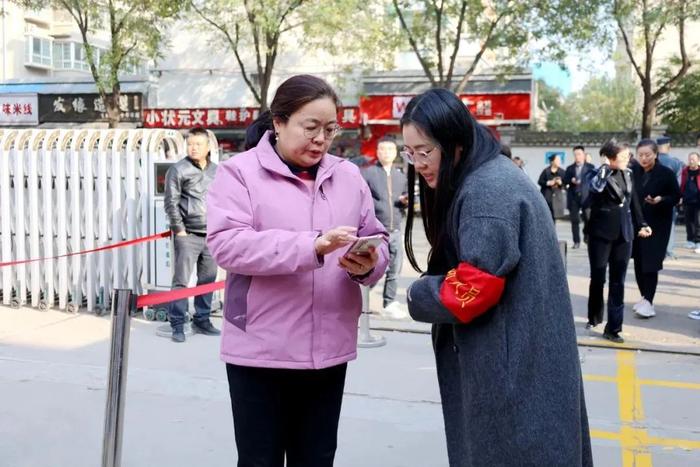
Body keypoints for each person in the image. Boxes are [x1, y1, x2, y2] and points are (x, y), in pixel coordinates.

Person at [401, 89, 592, 466]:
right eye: (411, 152)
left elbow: (474, 287)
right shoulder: (495, 176)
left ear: (455, 143)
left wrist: (416, 294)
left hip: (511, 373)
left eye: (425, 151)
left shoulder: (487, 192)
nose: (418, 163)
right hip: (526, 359)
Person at [206, 75, 389, 467]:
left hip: (328, 351)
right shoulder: (238, 173)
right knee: (261, 460)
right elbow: (227, 244)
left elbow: (376, 235)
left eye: (330, 128)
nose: (321, 139)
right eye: (310, 127)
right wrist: (312, 246)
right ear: (279, 122)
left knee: (317, 458)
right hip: (260, 352)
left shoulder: (347, 176)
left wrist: (370, 263)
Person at [584, 140, 651, 342]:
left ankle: (613, 328)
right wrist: (604, 168)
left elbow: (634, 201)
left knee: (618, 281)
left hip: (624, 233)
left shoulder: (629, 173)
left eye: (628, 156)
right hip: (600, 234)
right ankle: (594, 316)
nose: (628, 159)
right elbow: (594, 192)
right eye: (623, 157)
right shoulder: (596, 174)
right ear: (610, 158)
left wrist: (642, 223)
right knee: (598, 278)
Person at [164, 127, 220, 343]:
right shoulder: (178, 170)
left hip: (212, 235)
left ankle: (202, 319)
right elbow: (171, 202)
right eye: (190, 144)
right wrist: (180, 230)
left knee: (207, 279)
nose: (193, 147)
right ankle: (177, 323)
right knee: (181, 281)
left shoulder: (217, 171)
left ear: (208, 147)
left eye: (198, 144)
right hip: (188, 234)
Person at [631, 140, 681, 318]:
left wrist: (661, 200)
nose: (644, 159)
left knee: (650, 263)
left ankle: (649, 301)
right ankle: (644, 297)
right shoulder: (633, 171)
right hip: (637, 223)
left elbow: (676, 196)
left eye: (647, 155)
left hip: (658, 224)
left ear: (655, 154)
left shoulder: (665, 173)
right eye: (641, 155)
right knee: (638, 261)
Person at [361, 136, 409, 319]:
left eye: (389, 149)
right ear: (377, 152)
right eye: (382, 149)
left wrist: (405, 201)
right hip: (376, 230)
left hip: (396, 228)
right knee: (372, 268)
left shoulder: (400, 176)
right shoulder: (368, 173)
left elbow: (404, 199)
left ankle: (389, 303)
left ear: (395, 152)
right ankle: (360, 298)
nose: (385, 153)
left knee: (394, 270)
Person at [656, 136, 684, 259]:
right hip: (669, 199)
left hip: (651, 198)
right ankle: (668, 251)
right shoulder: (676, 163)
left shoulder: (651, 161)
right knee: (670, 225)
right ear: (669, 147)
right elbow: (679, 183)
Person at [564, 145, 595, 248]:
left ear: (583, 155)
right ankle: (576, 241)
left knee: (588, 218)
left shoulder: (590, 168)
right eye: (575, 154)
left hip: (586, 197)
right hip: (574, 197)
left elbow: (594, 182)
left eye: (579, 154)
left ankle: (587, 235)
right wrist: (571, 181)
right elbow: (565, 182)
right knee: (574, 220)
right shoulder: (569, 169)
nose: (577, 156)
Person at [680, 152, 700, 251]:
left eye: (693, 159)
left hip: (698, 201)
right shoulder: (685, 171)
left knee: (698, 222)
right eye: (690, 159)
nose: (691, 161)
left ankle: (698, 242)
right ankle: (690, 240)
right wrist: (681, 196)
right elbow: (682, 184)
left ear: (698, 160)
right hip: (688, 200)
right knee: (689, 222)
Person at [538, 154, 565, 222]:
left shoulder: (562, 172)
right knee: (546, 216)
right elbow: (540, 181)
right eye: (557, 160)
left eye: (560, 160)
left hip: (557, 198)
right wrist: (548, 183)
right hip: (547, 196)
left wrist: (560, 183)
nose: (559, 162)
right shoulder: (546, 171)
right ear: (552, 161)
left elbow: (566, 184)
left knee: (554, 217)